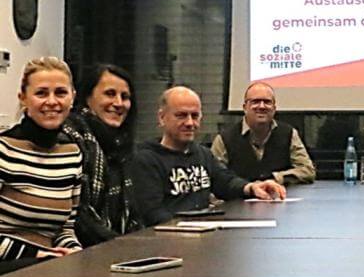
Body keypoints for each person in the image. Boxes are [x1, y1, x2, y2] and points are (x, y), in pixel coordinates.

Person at [131, 86, 286, 225]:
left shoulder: (202, 154)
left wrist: (251, 188)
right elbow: (152, 213)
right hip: (169, 238)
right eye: (181, 115)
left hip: (203, 233)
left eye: (195, 116)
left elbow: (224, 182)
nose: (190, 123)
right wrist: (186, 229)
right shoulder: (146, 160)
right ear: (162, 117)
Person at [0, 57, 83, 274]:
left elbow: (65, 228)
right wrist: (36, 254)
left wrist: (75, 252)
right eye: (41, 93)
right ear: (23, 98)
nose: (52, 101)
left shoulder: (72, 153)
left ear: (72, 98)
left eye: (61, 93)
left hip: (49, 263)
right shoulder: (4, 149)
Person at [62, 63, 143, 247]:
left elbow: (133, 215)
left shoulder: (121, 147)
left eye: (125, 97)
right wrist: (121, 246)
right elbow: (78, 216)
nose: (119, 103)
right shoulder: (70, 139)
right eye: (110, 94)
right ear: (87, 97)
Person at [211, 82, 315, 185]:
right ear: (245, 107)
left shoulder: (289, 134)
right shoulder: (224, 139)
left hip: (280, 195)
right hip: (238, 195)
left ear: (274, 108)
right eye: (255, 101)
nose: (261, 106)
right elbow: (214, 176)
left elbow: (307, 170)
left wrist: (275, 178)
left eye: (267, 102)